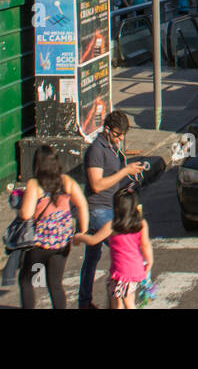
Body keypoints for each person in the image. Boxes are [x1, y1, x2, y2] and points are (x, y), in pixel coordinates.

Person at [77, 111, 146, 309]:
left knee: (92, 258)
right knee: (122, 247)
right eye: (117, 134)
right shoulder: (96, 151)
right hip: (98, 209)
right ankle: (122, 294)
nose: (121, 138)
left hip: (111, 206)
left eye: (123, 134)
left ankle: (85, 301)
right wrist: (125, 171)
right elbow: (97, 184)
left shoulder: (113, 148)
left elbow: (112, 180)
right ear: (107, 130)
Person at [19, 145, 89, 309]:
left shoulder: (34, 184)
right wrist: (82, 232)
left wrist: (19, 208)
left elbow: (26, 214)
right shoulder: (66, 181)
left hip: (39, 244)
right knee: (55, 284)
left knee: (26, 280)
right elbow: (82, 205)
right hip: (62, 243)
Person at [75, 188, 152, 309]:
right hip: (135, 270)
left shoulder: (112, 225)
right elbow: (145, 244)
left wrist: (80, 236)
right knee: (126, 299)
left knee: (124, 302)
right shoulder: (141, 224)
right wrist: (149, 261)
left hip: (120, 272)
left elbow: (93, 240)